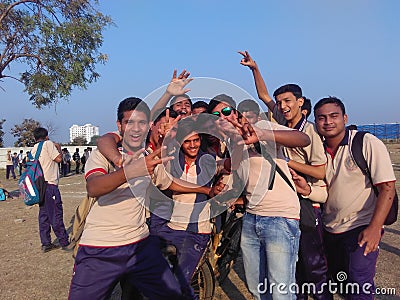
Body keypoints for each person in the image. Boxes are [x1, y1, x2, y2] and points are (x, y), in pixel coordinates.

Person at [68, 97, 184, 300]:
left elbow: (169, 183)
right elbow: (94, 187)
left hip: (139, 244)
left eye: (141, 122)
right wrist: (130, 171)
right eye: (129, 122)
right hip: (100, 247)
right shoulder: (104, 153)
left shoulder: (148, 157)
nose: (135, 128)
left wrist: (207, 189)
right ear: (119, 126)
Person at [239, 50, 332, 300]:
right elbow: (263, 96)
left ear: (300, 102)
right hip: (278, 200)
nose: (282, 106)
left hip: (304, 200)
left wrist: (289, 164)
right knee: (285, 271)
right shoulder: (279, 119)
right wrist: (254, 69)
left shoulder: (309, 131)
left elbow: (320, 171)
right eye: (280, 102)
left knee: (310, 265)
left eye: (288, 101)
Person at [209, 93, 310, 300]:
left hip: (279, 216)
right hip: (251, 217)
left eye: (226, 111)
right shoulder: (231, 144)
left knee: (281, 289)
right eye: (216, 115)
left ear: (236, 112)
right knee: (257, 288)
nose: (223, 117)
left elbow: (303, 139)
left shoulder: (260, 127)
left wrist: (262, 134)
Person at [313, 97, 396, 299]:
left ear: (345, 118)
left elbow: (387, 188)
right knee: (342, 284)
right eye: (321, 118)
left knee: (359, 283)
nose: (328, 122)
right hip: (331, 229)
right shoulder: (317, 152)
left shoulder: (364, 142)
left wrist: (375, 229)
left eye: (334, 116)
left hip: (361, 226)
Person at [31, 127, 70, 253]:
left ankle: (46, 243)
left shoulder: (34, 149)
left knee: (44, 215)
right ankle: (64, 241)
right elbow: (58, 159)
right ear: (46, 136)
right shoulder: (48, 144)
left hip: (40, 186)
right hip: (50, 185)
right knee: (56, 214)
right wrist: (58, 147)